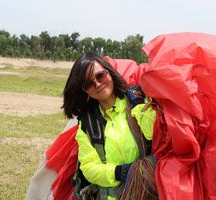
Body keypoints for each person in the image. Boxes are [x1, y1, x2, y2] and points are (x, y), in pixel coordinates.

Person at [62, 52, 156, 200]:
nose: (98, 84)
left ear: (109, 73)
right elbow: (88, 167)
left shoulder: (136, 102)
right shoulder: (87, 125)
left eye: (100, 76)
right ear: (84, 91)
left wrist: (138, 105)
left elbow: (153, 133)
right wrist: (118, 172)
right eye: (89, 84)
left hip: (147, 193)